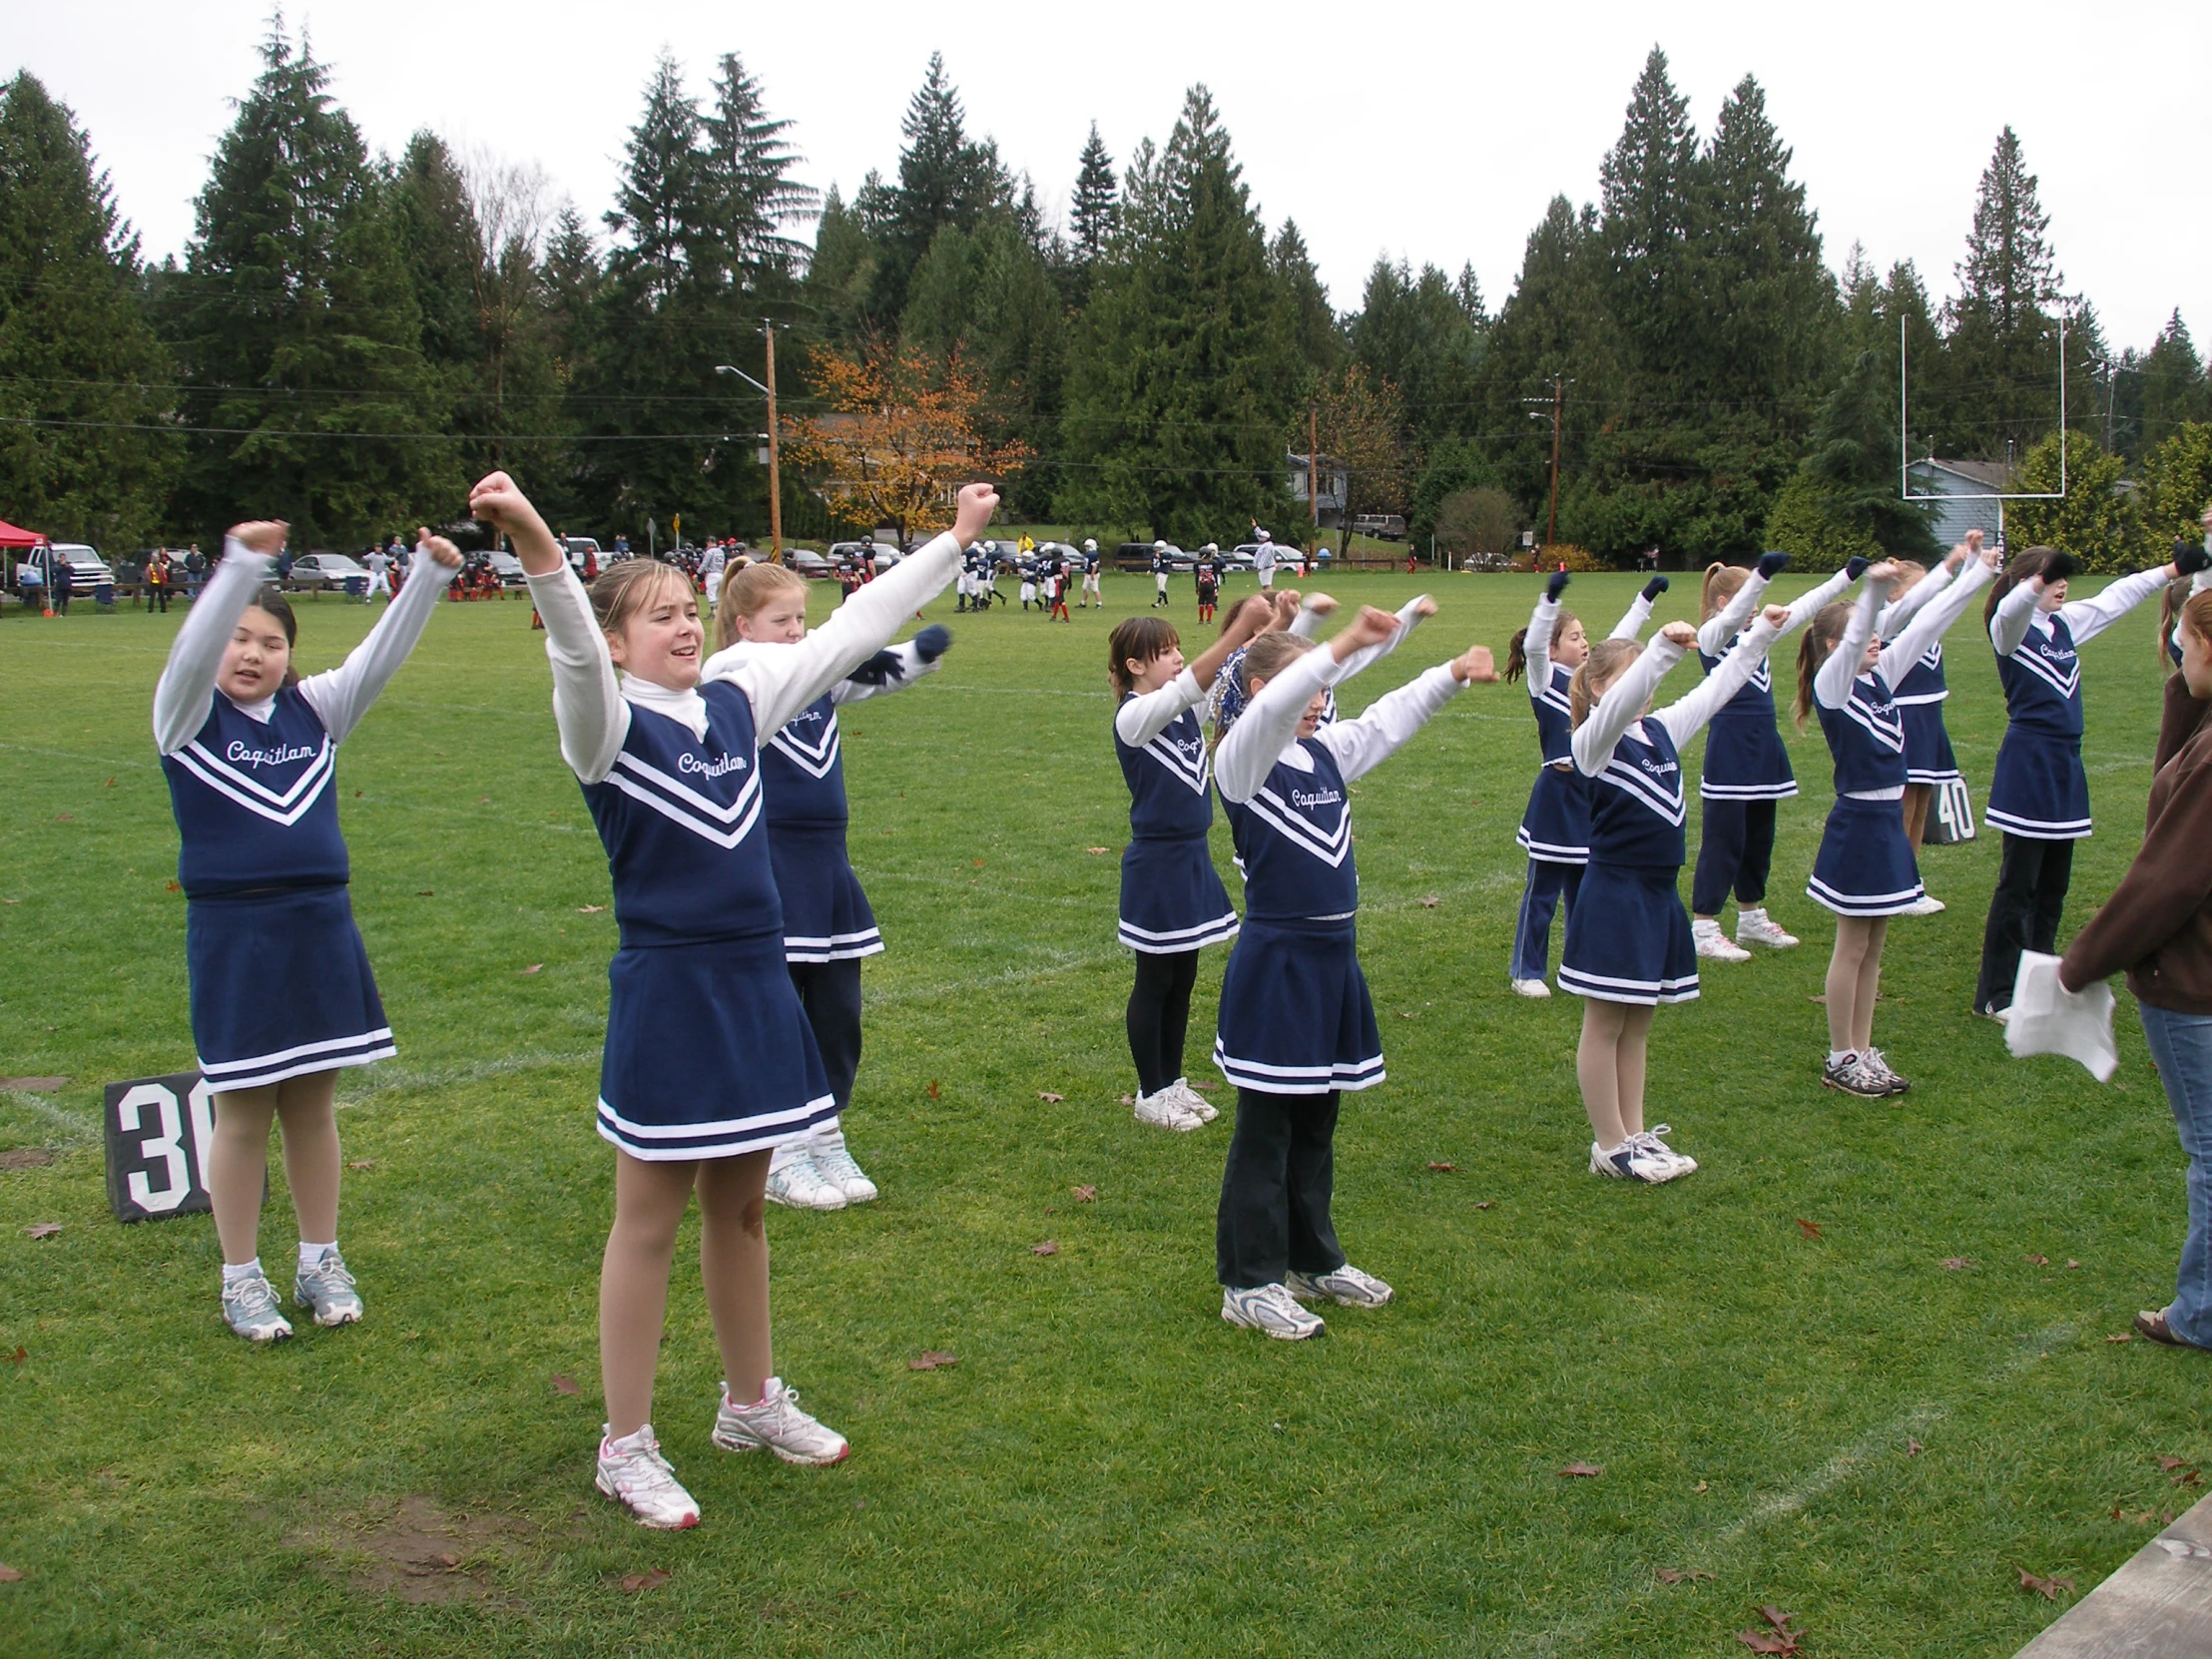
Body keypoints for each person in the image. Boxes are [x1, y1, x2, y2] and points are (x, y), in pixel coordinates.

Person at [476, 466, 982, 1529]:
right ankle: (626, 1444)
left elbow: (854, 631)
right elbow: (570, 644)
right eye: (654, 615)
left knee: (743, 1208)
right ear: (619, 642)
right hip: (672, 991)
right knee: (648, 1218)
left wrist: (951, 541)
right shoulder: (604, 728)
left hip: (756, 981)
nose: (678, 626)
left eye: (681, 609)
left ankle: (749, 1402)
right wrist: (534, 542)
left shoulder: (733, 700)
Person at [153, 520, 459, 1343]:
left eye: (271, 642)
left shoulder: (314, 712)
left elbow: (376, 662)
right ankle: (240, 1276)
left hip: (321, 929)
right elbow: (189, 658)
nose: (252, 654)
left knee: (315, 1107)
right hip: (238, 937)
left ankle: (320, 1258)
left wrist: (427, 579)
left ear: (291, 654)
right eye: (238, 639)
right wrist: (243, 563)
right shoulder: (184, 718)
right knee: (244, 1110)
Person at [1210, 612, 1500, 1339]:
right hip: (1277, 964)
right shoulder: (1241, 759)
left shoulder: (1324, 753)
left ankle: (1313, 1260)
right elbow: (1277, 710)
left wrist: (1451, 674)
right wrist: (1336, 648)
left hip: (1333, 961)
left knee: (1317, 1120)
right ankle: (1248, 1282)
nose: (1316, 700)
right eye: (1302, 686)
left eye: (1322, 687)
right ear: (1257, 688)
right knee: (1265, 1128)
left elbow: (1385, 721)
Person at [714, 561, 954, 1210]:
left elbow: (875, 670)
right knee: (778, 1015)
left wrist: (920, 654)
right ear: (743, 627)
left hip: (827, 871)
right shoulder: (734, 681)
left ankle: (824, 1131)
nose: (796, 632)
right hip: (769, 871)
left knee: (836, 1011)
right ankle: (777, 1151)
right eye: (780, 621)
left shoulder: (819, 676)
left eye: (800, 619)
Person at [1563, 604, 1794, 1182]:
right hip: (1615, 896)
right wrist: (1662, 652)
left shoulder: (1663, 729)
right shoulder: (1594, 743)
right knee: (1606, 1022)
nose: (1643, 691)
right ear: (1595, 688)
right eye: (1629, 679)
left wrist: (1762, 632)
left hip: (1658, 896)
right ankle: (1608, 1144)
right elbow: (1617, 706)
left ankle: (1635, 1135)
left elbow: (1721, 684)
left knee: (1639, 1022)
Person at [2058, 574, 2212, 1351]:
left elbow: (2168, 876)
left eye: (2185, 641)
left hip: (2196, 983)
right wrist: (2187, 692)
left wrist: (2080, 962)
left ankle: (2203, 1312)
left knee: (2211, 1150)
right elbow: (2170, 792)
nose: (2174, 650)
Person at [1796, 540, 1999, 1096]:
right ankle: (1841, 1055)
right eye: (1865, 637)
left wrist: (1976, 574)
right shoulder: (1833, 686)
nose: (1878, 642)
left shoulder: (1880, 675)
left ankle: (1863, 1048)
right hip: (1858, 826)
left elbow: (1930, 622)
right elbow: (1860, 635)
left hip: (1886, 826)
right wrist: (1873, 589)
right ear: (1836, 647)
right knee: (1852, 945)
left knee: (1876, 946)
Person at [1973, 541, 2204, 1018]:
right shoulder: (2009, 630)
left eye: (2062, 578)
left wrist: (2172, 569)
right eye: (2050, 578)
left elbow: (2117, 596)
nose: (2061, 586)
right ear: (2026, 582)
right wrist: (2034, 581)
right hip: (2029, 763)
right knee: (2018, 887)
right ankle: (1996, 994)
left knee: (2054, 886)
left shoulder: (2064, 624)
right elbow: (2012, 608)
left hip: (2066, 764)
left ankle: (2040, 985)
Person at [1109, 604, 1270, 1131]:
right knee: (1154, 980)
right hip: (1156, 864)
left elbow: (1221, 679)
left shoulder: (1177, 711)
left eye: (1180, 649)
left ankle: (1172, 1083)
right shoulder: (1134, 716)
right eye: (1167, 652)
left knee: (1183, 978)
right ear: (1135, 666)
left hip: (1191, 858)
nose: (1178, 659)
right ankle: (1149, 1092)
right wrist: (1241, 629)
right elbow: (1191, 685)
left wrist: (1268, 630)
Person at [1688, 553, 1860, 963]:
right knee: (1723, 839)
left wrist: (1846, 576)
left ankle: (1751, 916)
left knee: (1759, 837)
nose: (1757, 610)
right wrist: (1761, 577)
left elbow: (1804, 607)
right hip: (1730, 749)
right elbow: (1729, 624)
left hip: (1764, 746)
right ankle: (1704, 925)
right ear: (1727, 602)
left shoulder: (1759, 633)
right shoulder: (1713, 633)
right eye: (1747, 600)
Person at [1502, 572, 1667, 997]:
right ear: (1556, 648)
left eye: (1584, 635)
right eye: (1574, 637)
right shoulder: (1545, 680)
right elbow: (1534, 646)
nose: (1584, 643)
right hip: (1557, 797)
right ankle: (1527, 970)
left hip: (1593, 794)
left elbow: (1621, 644)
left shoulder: (1592, 683)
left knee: (1586, 891)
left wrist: (1644, 600)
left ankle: (1580, 967)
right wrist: (1550, 602)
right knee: (1543, 891)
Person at [1871, 535, 1983, 902]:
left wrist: (1975, 561)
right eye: (1916, 591)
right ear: (1893, 595)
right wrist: (1949, 565)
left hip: (1931, 717)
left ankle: (1912, 881)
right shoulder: (1888, 627)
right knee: (1903, 805)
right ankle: (1895, 883)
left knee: (1922, 804)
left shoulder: (1929, 622)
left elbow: (1958, 596)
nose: (1925, 598)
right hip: (1905, 717)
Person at [700, 539, 727, 615]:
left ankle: (713, 613)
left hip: (712, 574)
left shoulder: (710, 551)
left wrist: (699, 572)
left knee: (710, 593)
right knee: (718, 594)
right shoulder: (721, 551)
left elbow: (705, 563)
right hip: (721, 573)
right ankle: (719, 612)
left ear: (709, 542)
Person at [1194, 547, 1221, 625]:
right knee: (1210, 602)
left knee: (1201, 602)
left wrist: (1196, 586)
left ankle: (1201, 619)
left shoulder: (1197, 564)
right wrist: (1216, 587)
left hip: (1202, 584)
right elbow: (1215, 575)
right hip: (1210, 584)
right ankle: (1209, 620)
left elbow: (1196, 576)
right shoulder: (1214, 563)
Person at [1081, 539, 1103, 609]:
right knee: (1085, 588)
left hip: (1092, 574)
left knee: (1095, 589)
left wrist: (1092, 575)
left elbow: (1095, 566)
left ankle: (1099, 603)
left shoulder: (1093, 554)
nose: (1086, 548)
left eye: (1087, 546)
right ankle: (1083, 602)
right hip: (1088, 573)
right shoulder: (1089, 554)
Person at [1151, 541, 1172, 609]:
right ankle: (1166, 603)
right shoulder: (1154, 555)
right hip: (1157, 572)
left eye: (1158, 548)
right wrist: (1150, 569)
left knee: (1161, 587)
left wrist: (1159, 557)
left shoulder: (1166, 555)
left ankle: (1158, 603)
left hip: (1163, 573)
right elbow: (1154, 564)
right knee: (1162, 588)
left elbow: (1163, 563)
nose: (1157, 550)